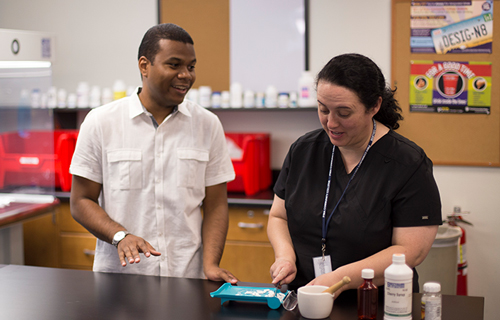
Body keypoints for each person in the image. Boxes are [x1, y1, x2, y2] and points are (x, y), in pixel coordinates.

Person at [69, 23, 238, 284]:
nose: (186, 75)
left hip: (187, 278)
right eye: (174, 65)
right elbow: (80, 201)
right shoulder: (101, 122)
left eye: (191, 67)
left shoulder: (207, 124)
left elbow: (216, 204)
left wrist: (211, 264)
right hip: (120, 279)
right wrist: (120, 235)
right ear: (144, 66)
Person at [267, 53, 441, 295]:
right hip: (306, 296)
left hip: (377, 301)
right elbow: (279, 217)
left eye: (344, 113)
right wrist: (285, 257)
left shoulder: (407, 163)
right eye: (323, 109)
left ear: (374, 106)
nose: (331, 123)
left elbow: (411, 250)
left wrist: (341, 279)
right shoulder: (303, 151)